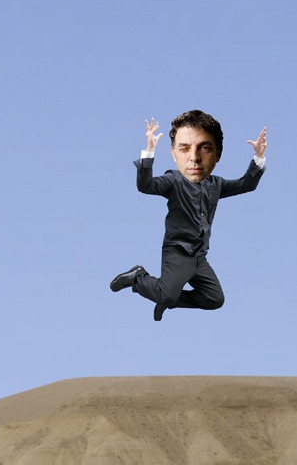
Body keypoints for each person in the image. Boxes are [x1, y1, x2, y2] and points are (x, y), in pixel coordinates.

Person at [109, 110, 267, 321]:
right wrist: (149, 151)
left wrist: (258, 157)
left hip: (199, 256)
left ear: (216, 156)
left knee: (214, 299)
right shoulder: (173, 180)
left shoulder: (216, 184)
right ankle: (138, 278)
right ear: (175, 154)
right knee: (166, 292)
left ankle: (167, 299)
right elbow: (145, 186)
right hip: (178, 252)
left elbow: (246, 184)